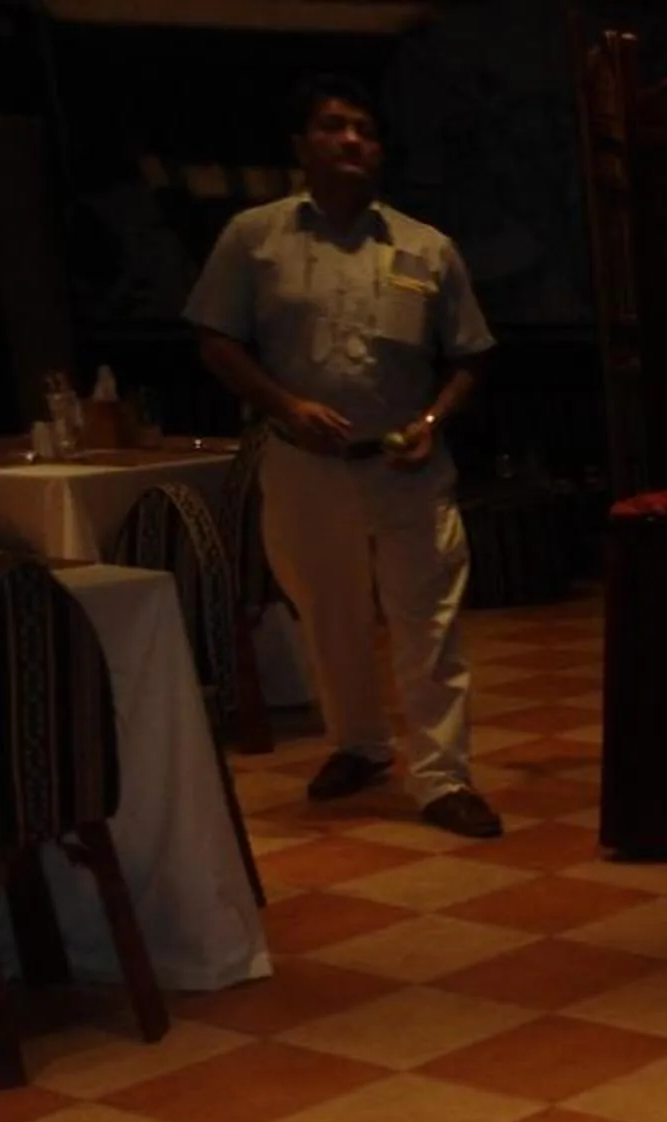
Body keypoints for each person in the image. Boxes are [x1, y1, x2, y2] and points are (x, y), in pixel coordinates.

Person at [186, 77, 502, 837]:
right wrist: (285, 404)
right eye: (335, 126)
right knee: (329, 618)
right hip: (302, 463)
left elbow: (470, 357)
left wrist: (432, 418)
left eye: (367, 129)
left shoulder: (426, 247)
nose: (354, 140)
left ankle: (441, 777)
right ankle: (358, 747)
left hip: (407, 467)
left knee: (427, 622)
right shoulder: (254, 238)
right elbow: (215, 340)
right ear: (302, 146)